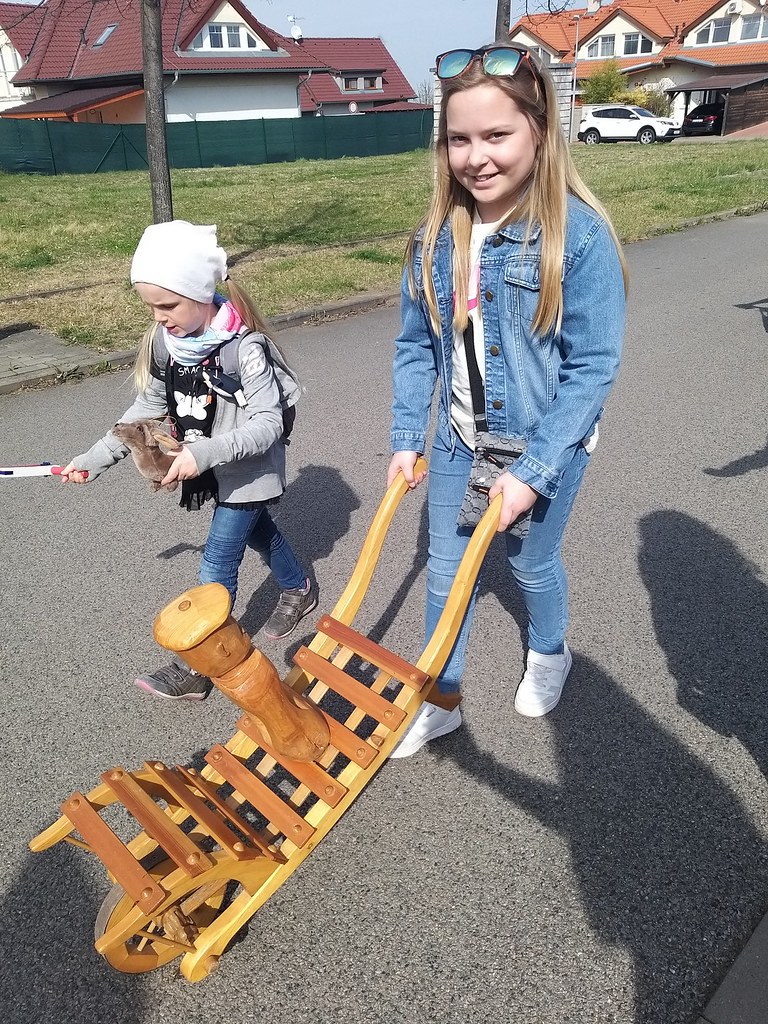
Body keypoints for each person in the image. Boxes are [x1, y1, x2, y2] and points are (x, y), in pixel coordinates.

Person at [387, 45, 627, 758]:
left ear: (540, 132)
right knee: (444, 572)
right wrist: (407, 437)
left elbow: (592, 367)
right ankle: (440, 697)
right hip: (461, 438)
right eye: (459, 139)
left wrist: (534, 471)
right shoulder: (433, 241)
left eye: (497, 135)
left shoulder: (578, 237)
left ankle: (550, 651)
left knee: (528, 564)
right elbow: (414, 348)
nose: (476, 157)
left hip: (545, 443)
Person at [61, 220, 317, 701]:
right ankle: (299, 586)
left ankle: (194, 667)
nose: (159, 317)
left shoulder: (245, 349)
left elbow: (268, 424)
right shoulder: (168, 344)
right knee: (259, 531)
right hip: (214, 468)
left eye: (168, 305)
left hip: (249, 469)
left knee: (217, 561)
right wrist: (91, 461)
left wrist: (201, 453)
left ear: (201, 294)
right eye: (151, 307)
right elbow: (144, 412)